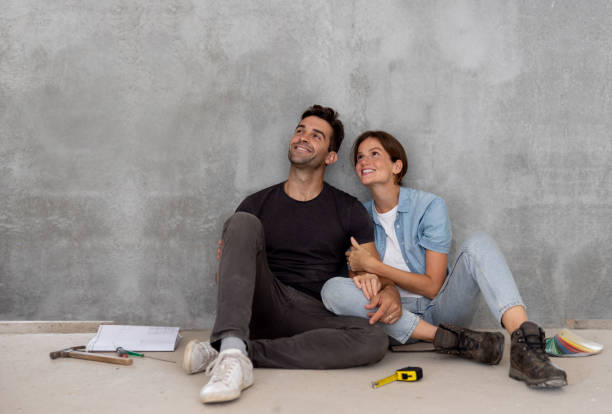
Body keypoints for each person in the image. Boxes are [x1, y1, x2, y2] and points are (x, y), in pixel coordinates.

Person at [183, 107, 402, 404]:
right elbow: (224, 280)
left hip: (311, 314)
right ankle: (233, 346)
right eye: (300, 130)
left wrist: (391, 292)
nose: (303, 137)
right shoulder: (256, 203)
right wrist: (233, 253)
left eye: (316, 135)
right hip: (262, 303)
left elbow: (371, 272)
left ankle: (235, 352)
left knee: (375, 340)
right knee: (243, 223)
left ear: (330, 156)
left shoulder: (348, 209)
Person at [321, 130, 568, 388]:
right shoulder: (356, 214)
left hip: (440, 309)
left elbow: (433, 285)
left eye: (374, 154)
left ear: (397, 165)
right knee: (332, 290)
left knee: (478, 244)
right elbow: (359, 276)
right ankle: (448, 340)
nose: (363, 162)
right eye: (359, 157)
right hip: (392, 319)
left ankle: (525, 345)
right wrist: (375, 281)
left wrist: (375, 267)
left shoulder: (429, 206)